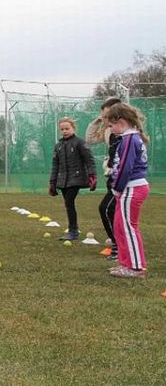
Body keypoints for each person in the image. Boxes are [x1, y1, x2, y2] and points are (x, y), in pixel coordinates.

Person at [103, 103, 150, 279]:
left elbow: (125, 167)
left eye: (111, 125)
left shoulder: (130, 139)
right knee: (119, 226)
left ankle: (135, 267)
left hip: (132, 188)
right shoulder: (128, 138)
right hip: (129, 188)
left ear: (121, 122)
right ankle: (125, 263)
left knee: (128, 227)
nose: (111, 130)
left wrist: (116, 188)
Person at [85, 97, 122, 260]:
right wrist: (96, 122)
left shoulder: (128, 133)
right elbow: (90, 140)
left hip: (123, 179)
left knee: (106, 208)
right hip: (113, 178)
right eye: (103, 116)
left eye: (107, 116)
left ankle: (118, 245)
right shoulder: (108, 130)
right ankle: (119, 244)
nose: (105, 119)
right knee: (112, 211)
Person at [49, 117, 97, 241]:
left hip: (76, 178)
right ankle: (73, 229)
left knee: (69, 202)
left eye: (67, 128)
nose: (64, 131)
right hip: (63, 179)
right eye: (62, 129)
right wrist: (52, 182)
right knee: (68, 204)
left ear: (73, 128)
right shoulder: (58, 146)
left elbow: (89, 160)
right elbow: (55, 165)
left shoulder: (80, 143)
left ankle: (73, 230)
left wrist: (92, 175)